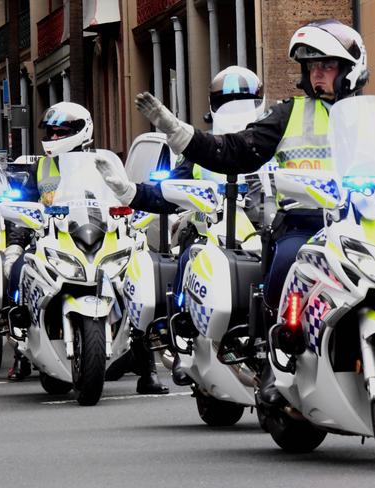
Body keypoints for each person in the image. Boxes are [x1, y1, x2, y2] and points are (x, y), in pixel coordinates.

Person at [106, 19, 375, 459]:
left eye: (327, 65)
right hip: (305, 223)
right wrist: (179, 134)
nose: (317, 74)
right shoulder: (287, 115)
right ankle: (275, 367)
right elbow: (234, 151)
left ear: (351, 69)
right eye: (312, 66)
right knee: (284, 263)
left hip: (370, 222)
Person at [97, 65, 266, 386]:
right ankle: (183, 337)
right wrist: (131, 191)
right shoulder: (203, 147)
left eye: (243, 98)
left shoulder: (267, 144)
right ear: (214, 104)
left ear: (258, 100)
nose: (236, 105)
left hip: (259, 235)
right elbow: (168, 192)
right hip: (207, 235)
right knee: (189, 259)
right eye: (228, 99)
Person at [2, 101, 169, 394]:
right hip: (52, 239)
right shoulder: (39, 167)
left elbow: (124, 196)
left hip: (99, 239)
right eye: (51, 133)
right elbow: (22, 208)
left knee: (140, 283)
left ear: (82, 131)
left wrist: (133, 215)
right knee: (17, 270)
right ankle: (20, 352)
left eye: (61, 132)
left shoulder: (102, 164)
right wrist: (15, 244)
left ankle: (148, 369)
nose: (54, 138)